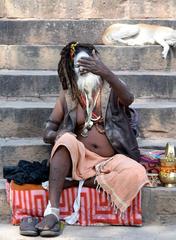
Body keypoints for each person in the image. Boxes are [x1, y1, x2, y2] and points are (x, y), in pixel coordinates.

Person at [35, 42, 149, 237]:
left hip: (111, 159)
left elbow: (129, 99)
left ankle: (76, 182)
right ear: (73, 69)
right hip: (81, 158)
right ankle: (52, 211)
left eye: (89, 65)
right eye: (80, 67)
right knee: (66, 140)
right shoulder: (69, 95)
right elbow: (49, 128)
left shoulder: (112, 87)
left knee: (137, 172)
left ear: (97, 61)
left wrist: (106, 73)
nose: (85, 70)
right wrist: (57, 135)